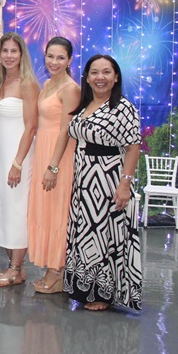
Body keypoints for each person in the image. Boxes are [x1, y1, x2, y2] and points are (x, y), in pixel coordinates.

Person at [63, 55, 142, 311]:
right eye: (94, 72)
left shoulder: (123, 107)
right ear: (87, 77)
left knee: (105, 235)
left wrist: (125, 184)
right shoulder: (84, 104)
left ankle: (103, 294)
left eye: (106, 72)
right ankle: (84, 288)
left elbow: (133, 147)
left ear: (116, 77)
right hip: (84, 180)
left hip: (109, 179)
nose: (100, 77)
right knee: (85, 233)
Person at [28, 37, 80, 294]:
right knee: (46, 209)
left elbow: (66, 130)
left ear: (69, 60)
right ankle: (51, 266)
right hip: (43, 150)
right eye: (50, 56)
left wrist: (54, 166)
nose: (54, 62)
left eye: (60, 57)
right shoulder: (47, 84)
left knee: (58, 210)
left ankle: (58, 272)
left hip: (59, 155)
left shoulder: (71, 89)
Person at [0, 33, 38, 287]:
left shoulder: (28, 84)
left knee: (17, 210)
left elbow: (31, 127)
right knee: (3, 208)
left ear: (21, 54)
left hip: (20, 157)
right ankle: (15, 268)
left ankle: (16, 268)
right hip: (1, 156)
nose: (8, 56)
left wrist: (17, 163)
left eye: (13, 51)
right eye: (4, 51)